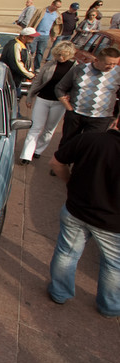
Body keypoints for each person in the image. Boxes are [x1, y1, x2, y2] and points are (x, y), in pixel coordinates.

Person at [48, 119, 120, 317]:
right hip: (113, 224)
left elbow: (56, 163)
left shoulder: (90, 139)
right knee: (114, 265)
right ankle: (109, 307)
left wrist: (70, 183)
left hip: (76, 210)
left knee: (67, 253)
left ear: (116, 122)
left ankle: (59, 293)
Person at [19, 41, 76, 165]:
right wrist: (30, 97)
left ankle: (38, 150)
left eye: (64, 55)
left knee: (49, 129)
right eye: (58, 55)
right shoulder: (49, 65)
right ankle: (26, 155)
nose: (61, 58)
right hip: (43, 99)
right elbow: (38, 81)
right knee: (36, 127)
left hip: (59, 103)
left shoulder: (75, 67)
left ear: (70, 55)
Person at [56, 46, 120, 147]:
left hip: (101, 118)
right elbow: (60, 88)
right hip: (76, 115)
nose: (111, 67)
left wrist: (117, 118)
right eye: (108, 64)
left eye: (115, 64)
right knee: (68, 143)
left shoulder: (118, 73)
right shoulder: (80, 69)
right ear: (96, 60)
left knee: (90, 145)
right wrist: (69, 108)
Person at [0, 27, 37, 100]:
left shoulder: (24, 45)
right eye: (31, 37)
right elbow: (17, 64)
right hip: (12, 78)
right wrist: (29, 75)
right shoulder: (15, 45)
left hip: (16, 79)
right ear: (23, 37)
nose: (33, 39)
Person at [28, 0, 63, 71]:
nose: (57, 8)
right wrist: (29, 31)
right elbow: (33, 21)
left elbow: (56, 26)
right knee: (31, 51)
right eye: (56, 6)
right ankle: (28, 66)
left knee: (40, 52)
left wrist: (54, 35)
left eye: (59, 7)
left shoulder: (57, 15)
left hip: (45, 36)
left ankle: (37, 67)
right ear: (52, 4)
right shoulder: (41, 11)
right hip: (36, 33)